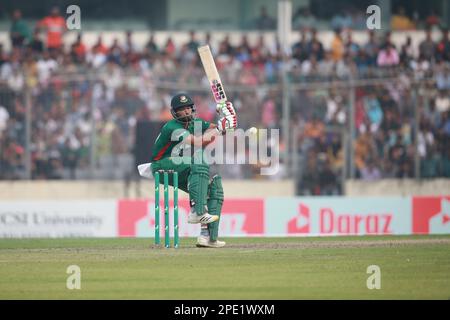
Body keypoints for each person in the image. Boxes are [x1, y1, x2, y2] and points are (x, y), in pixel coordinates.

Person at [150, 93, 237, 248]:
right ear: (175, 112)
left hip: (178, 165)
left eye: (189, 108)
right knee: (199, 161)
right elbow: (198, 142)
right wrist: (219, 128)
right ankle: (197, 211)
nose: (187, 111)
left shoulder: (194, 123)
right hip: (161, 164)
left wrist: (228, 120)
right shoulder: (172, 127)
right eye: (182, 109)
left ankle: (207, 237)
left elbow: (218, 129)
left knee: (214, 187)